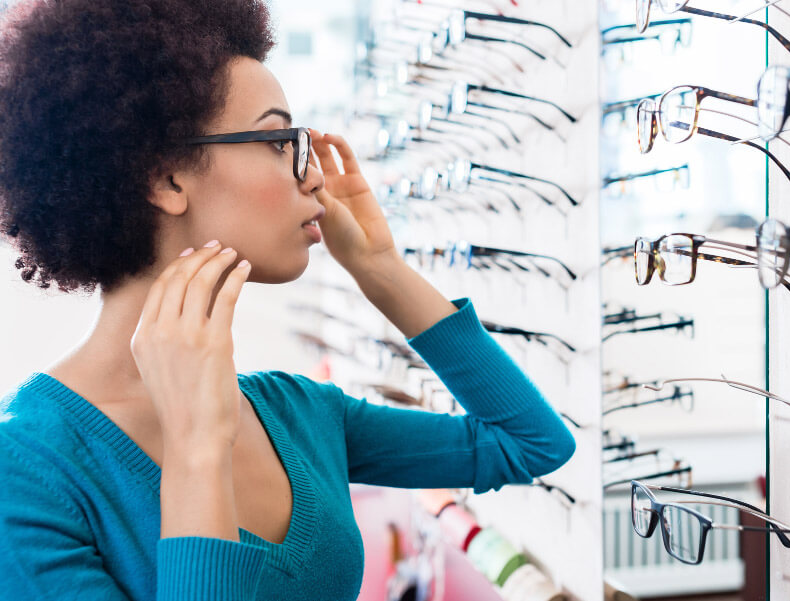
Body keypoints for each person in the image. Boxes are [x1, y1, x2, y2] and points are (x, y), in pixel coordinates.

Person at [0, 1, 576, 600]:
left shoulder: (297, 412)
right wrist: (199, 454)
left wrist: (380, 269)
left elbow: (531, 445)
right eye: (280, 141)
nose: (315, 178)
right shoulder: (27, 470)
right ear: (167, 179)